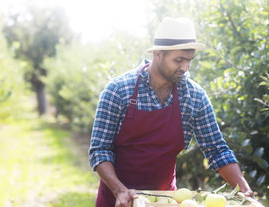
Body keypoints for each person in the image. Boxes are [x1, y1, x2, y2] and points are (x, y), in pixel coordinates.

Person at [89, 17, 254, 207]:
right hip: (117, 198)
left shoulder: (194, 96)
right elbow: (99, 150)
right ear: (158, 54)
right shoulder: (118, 90)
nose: (185, 67)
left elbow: (217, 150)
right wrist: (120, 190)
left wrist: (243, 188)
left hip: (165, 201)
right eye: (178, 60)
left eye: (189, 61)